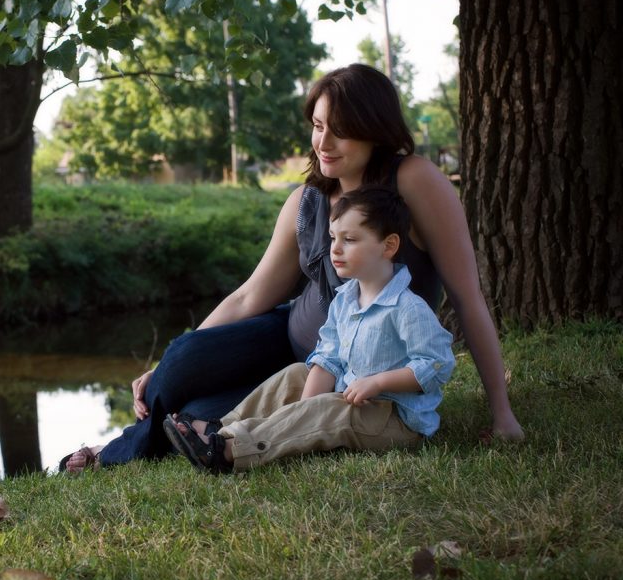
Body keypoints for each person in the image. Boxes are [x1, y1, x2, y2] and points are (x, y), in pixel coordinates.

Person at [59, 63, 523, 474]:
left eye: (340, 130)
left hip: (355, 364)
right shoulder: (307, 200)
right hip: (290, 340)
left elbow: (466, 295)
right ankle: (144, 431)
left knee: (200, 411)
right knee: (181, 360)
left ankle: (111, 452)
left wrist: (502, 414)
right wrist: (162, 367)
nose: (323, 142)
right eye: (318, 126)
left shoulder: (413, 180)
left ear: (375, 130)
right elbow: (250, 295)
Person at [163, 185, 456, 472]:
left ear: (388, 245)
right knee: (297, 374)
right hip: (351, 396)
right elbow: (328, 357)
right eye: (332, 238)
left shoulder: (407, 308)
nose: (335, 249)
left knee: (333, 410)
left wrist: (378, 382)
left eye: (350, 239)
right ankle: (222, 427)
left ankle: (229, 451)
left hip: (394, 418)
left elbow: (437, 364)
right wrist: (302, 410)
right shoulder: (345, 300)